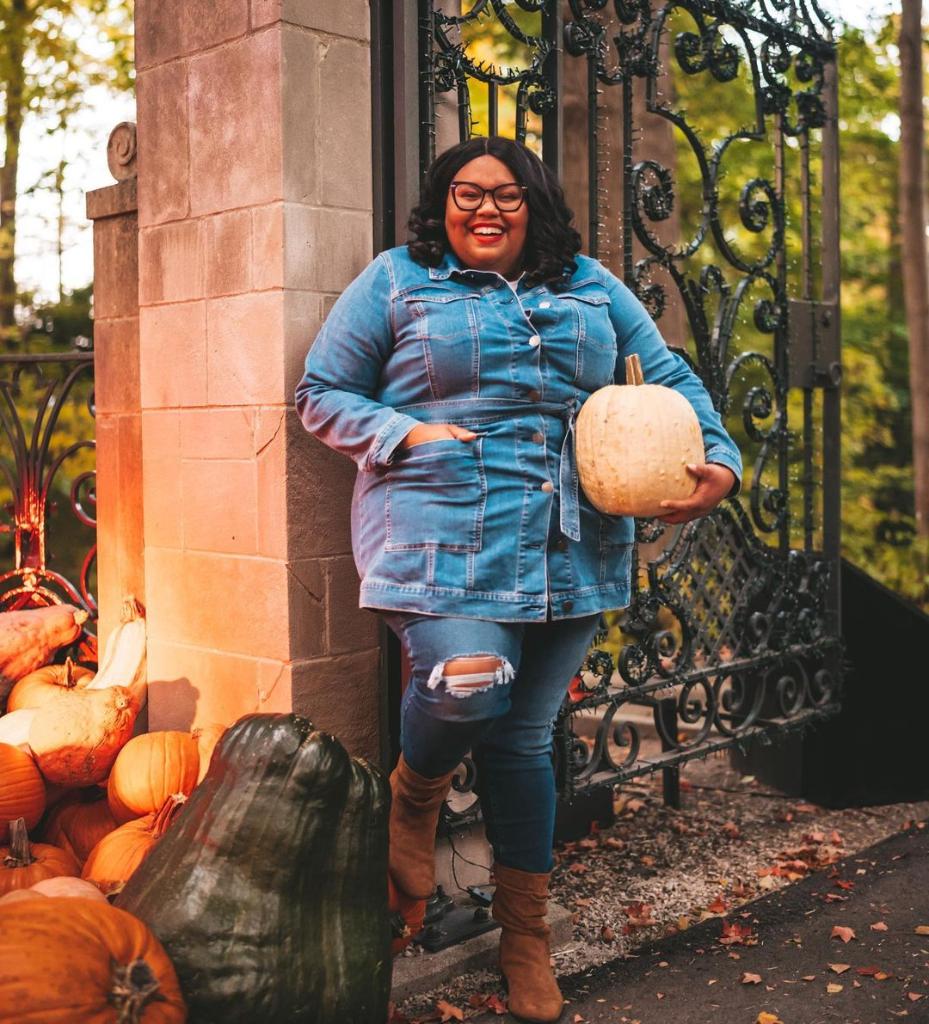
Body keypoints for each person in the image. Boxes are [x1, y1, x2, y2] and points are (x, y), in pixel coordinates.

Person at [295, 136, 742, 1024]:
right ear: (440, 205)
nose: (484, 209)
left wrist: (718, 462)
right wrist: (406, 433)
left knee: (525, 739)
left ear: (533, 203)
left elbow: (670, 376)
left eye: (503, 194)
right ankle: (414, 794)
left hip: (568, 545)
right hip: (439, 533)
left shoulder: (588, 284)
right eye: (465, 194)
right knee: (469, 684)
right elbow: (319, 393)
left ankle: (524, 938)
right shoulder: (397, 280)